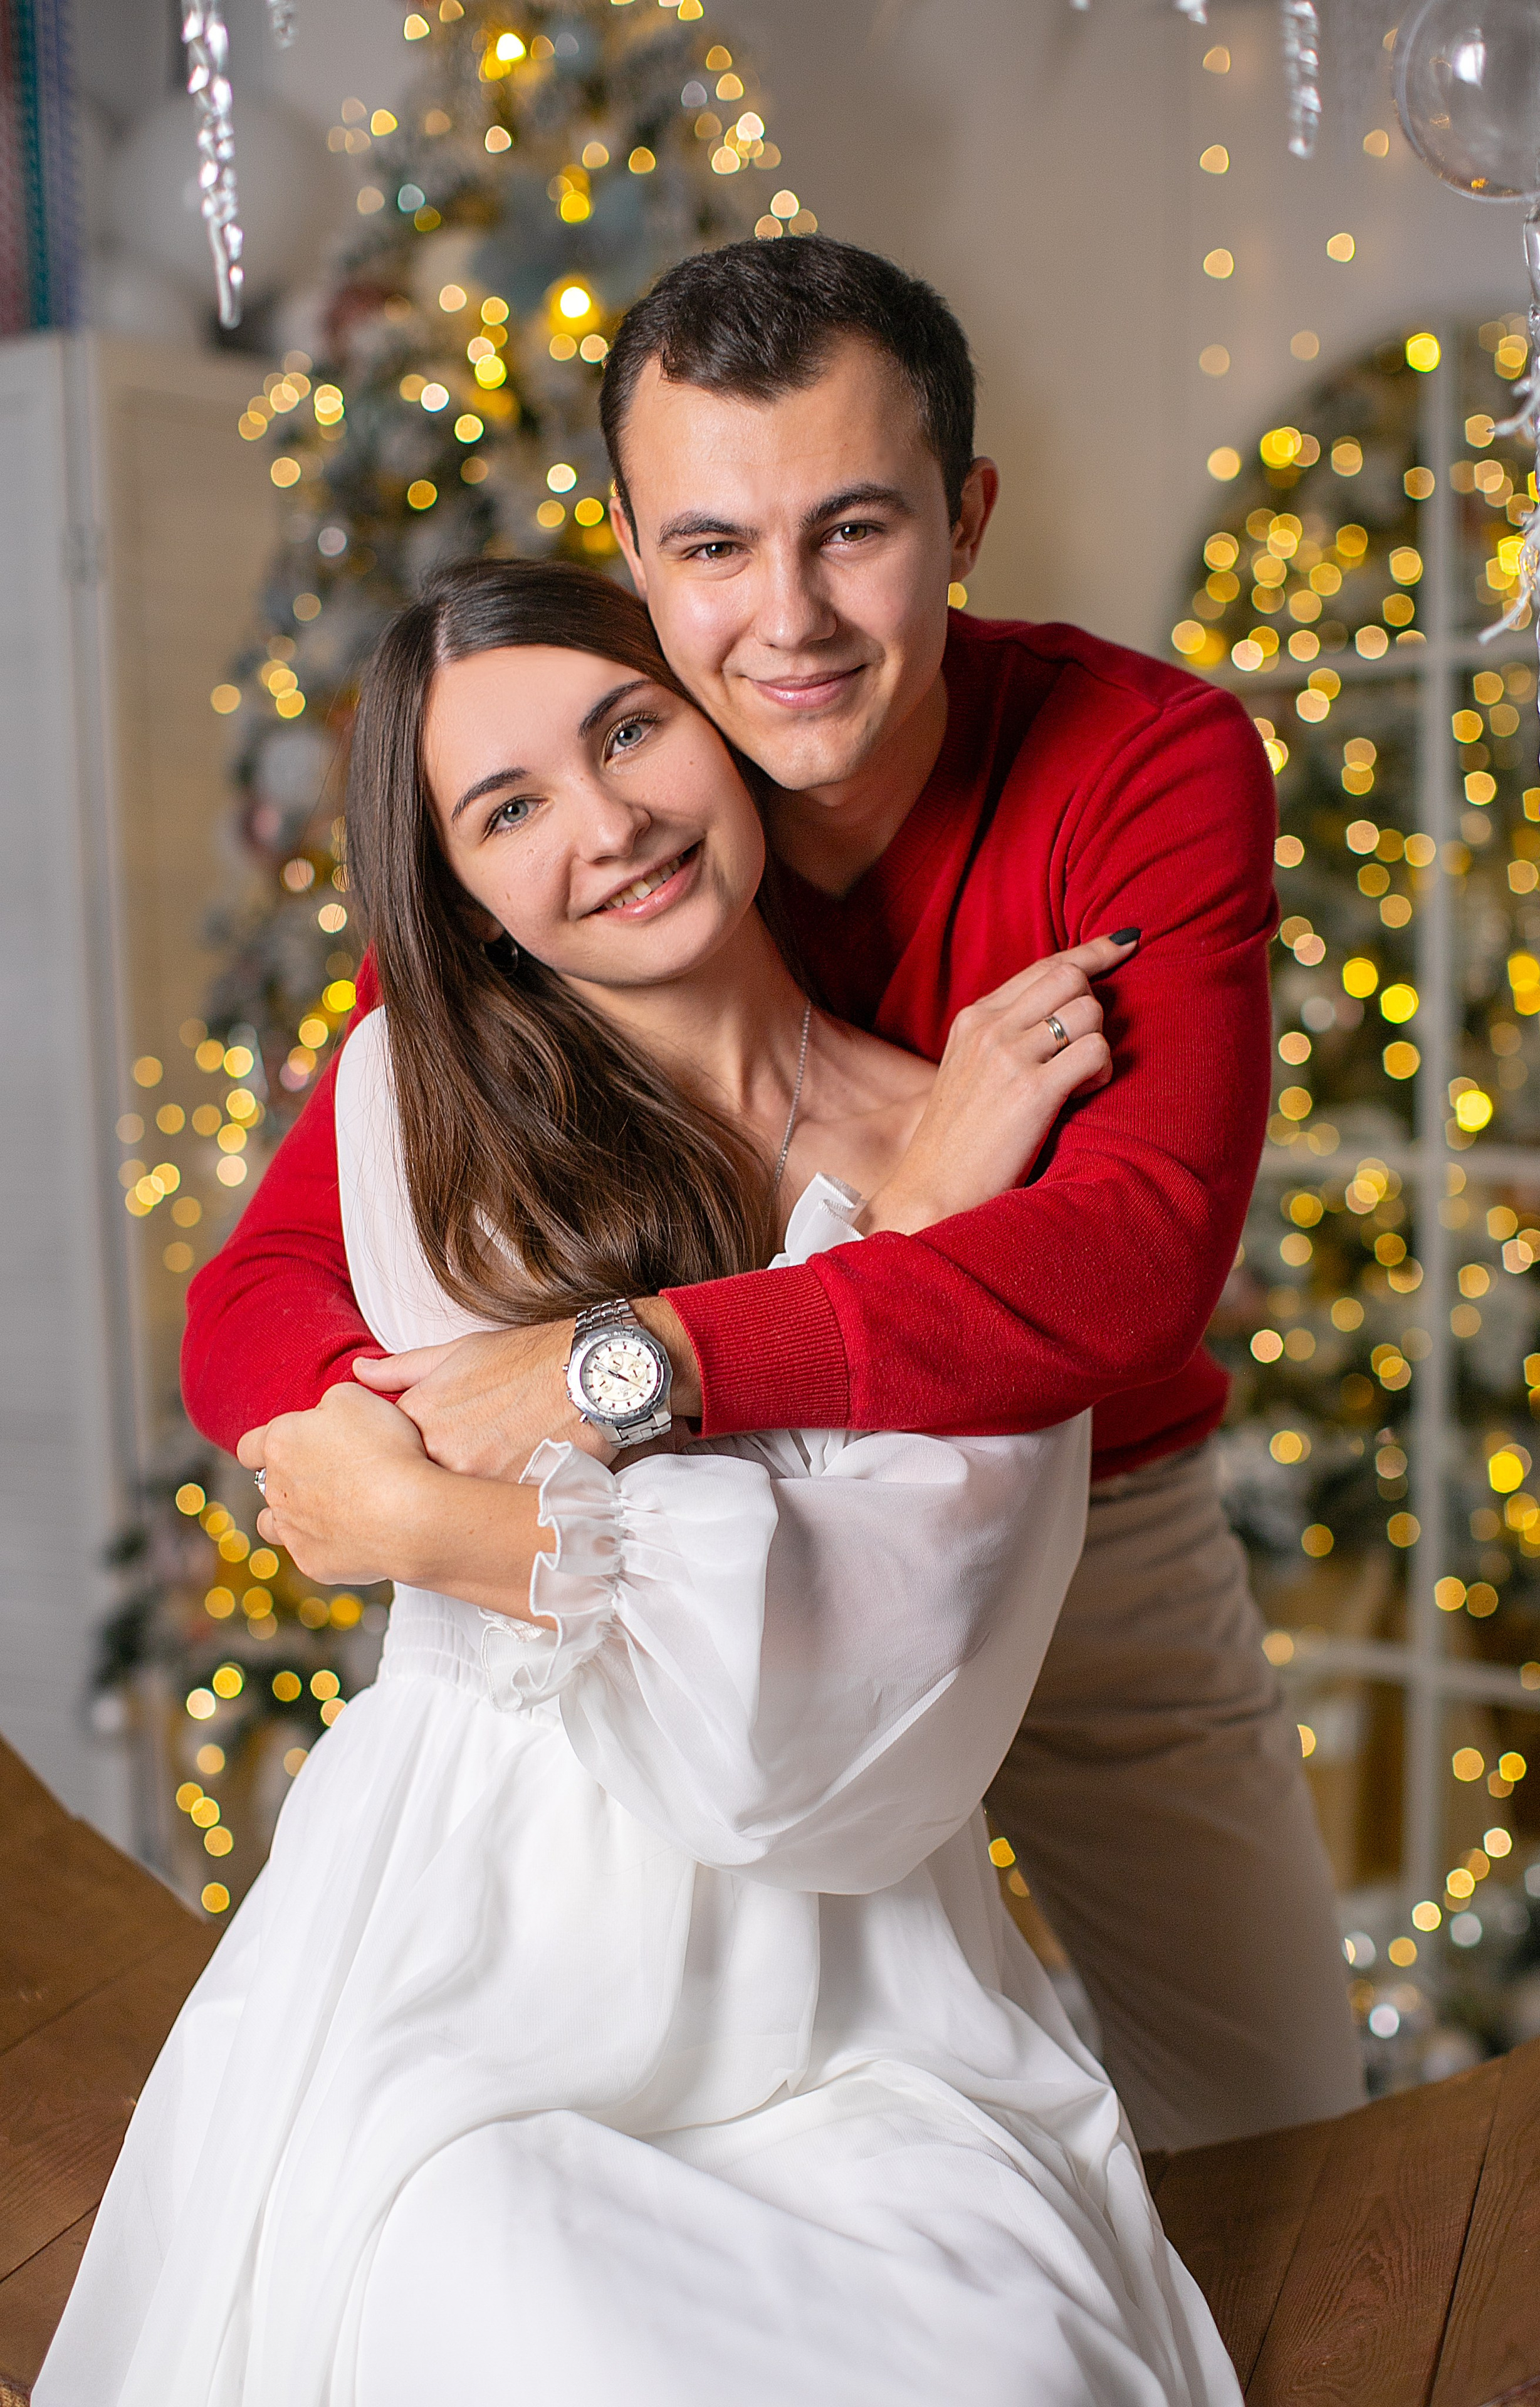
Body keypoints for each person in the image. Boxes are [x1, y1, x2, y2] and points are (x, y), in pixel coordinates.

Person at [181, 235, 1363, 2149]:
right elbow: (280, 1265)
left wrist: (611, 1364)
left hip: (1092, 1530)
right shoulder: (593, 813)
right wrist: (365, 1458)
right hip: (720, 1596)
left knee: (1286, 2128)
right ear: (640, 562)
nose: (787, 622)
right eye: (715, 548)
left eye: (856, 529)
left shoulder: (1138, 763)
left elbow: (1132, 1262)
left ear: (966, 521)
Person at [38, 565, 1241, 2407]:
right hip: (476, 1969)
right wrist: (901, 1240)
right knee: (504, 2289)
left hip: (862, 2011)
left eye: (627, 733)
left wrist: (470, 1522)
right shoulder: (425, 1112)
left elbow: (824, 1736)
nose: (606, 829)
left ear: (718, 723)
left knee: (996, 2359)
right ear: (464, 905)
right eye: (508, 811)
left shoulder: (990, 1149)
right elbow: (652, 1656)